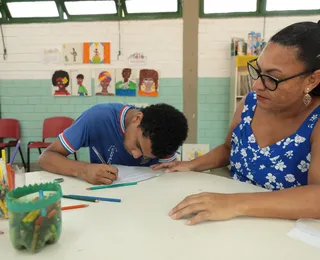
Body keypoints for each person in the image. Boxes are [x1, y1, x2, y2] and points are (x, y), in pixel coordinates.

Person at [153, 21, 320, 225]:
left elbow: (316, 197)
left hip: (281, 230)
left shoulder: (316, 121)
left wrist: (235, 203)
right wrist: (190, 165)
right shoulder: (250, 103)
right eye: (258, 71)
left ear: (312, 80)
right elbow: (228, 148)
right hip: (232, 220)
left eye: (272, 78)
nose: (257, 85)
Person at [38, 103, 188, 185]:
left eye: (145, 156)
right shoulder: (96, 118)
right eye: (138, 145)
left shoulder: (166, 136)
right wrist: (83, 170)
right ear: (137, 119)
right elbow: (46, 157)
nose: (135, 155)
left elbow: (171, 177)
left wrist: (173, 166)